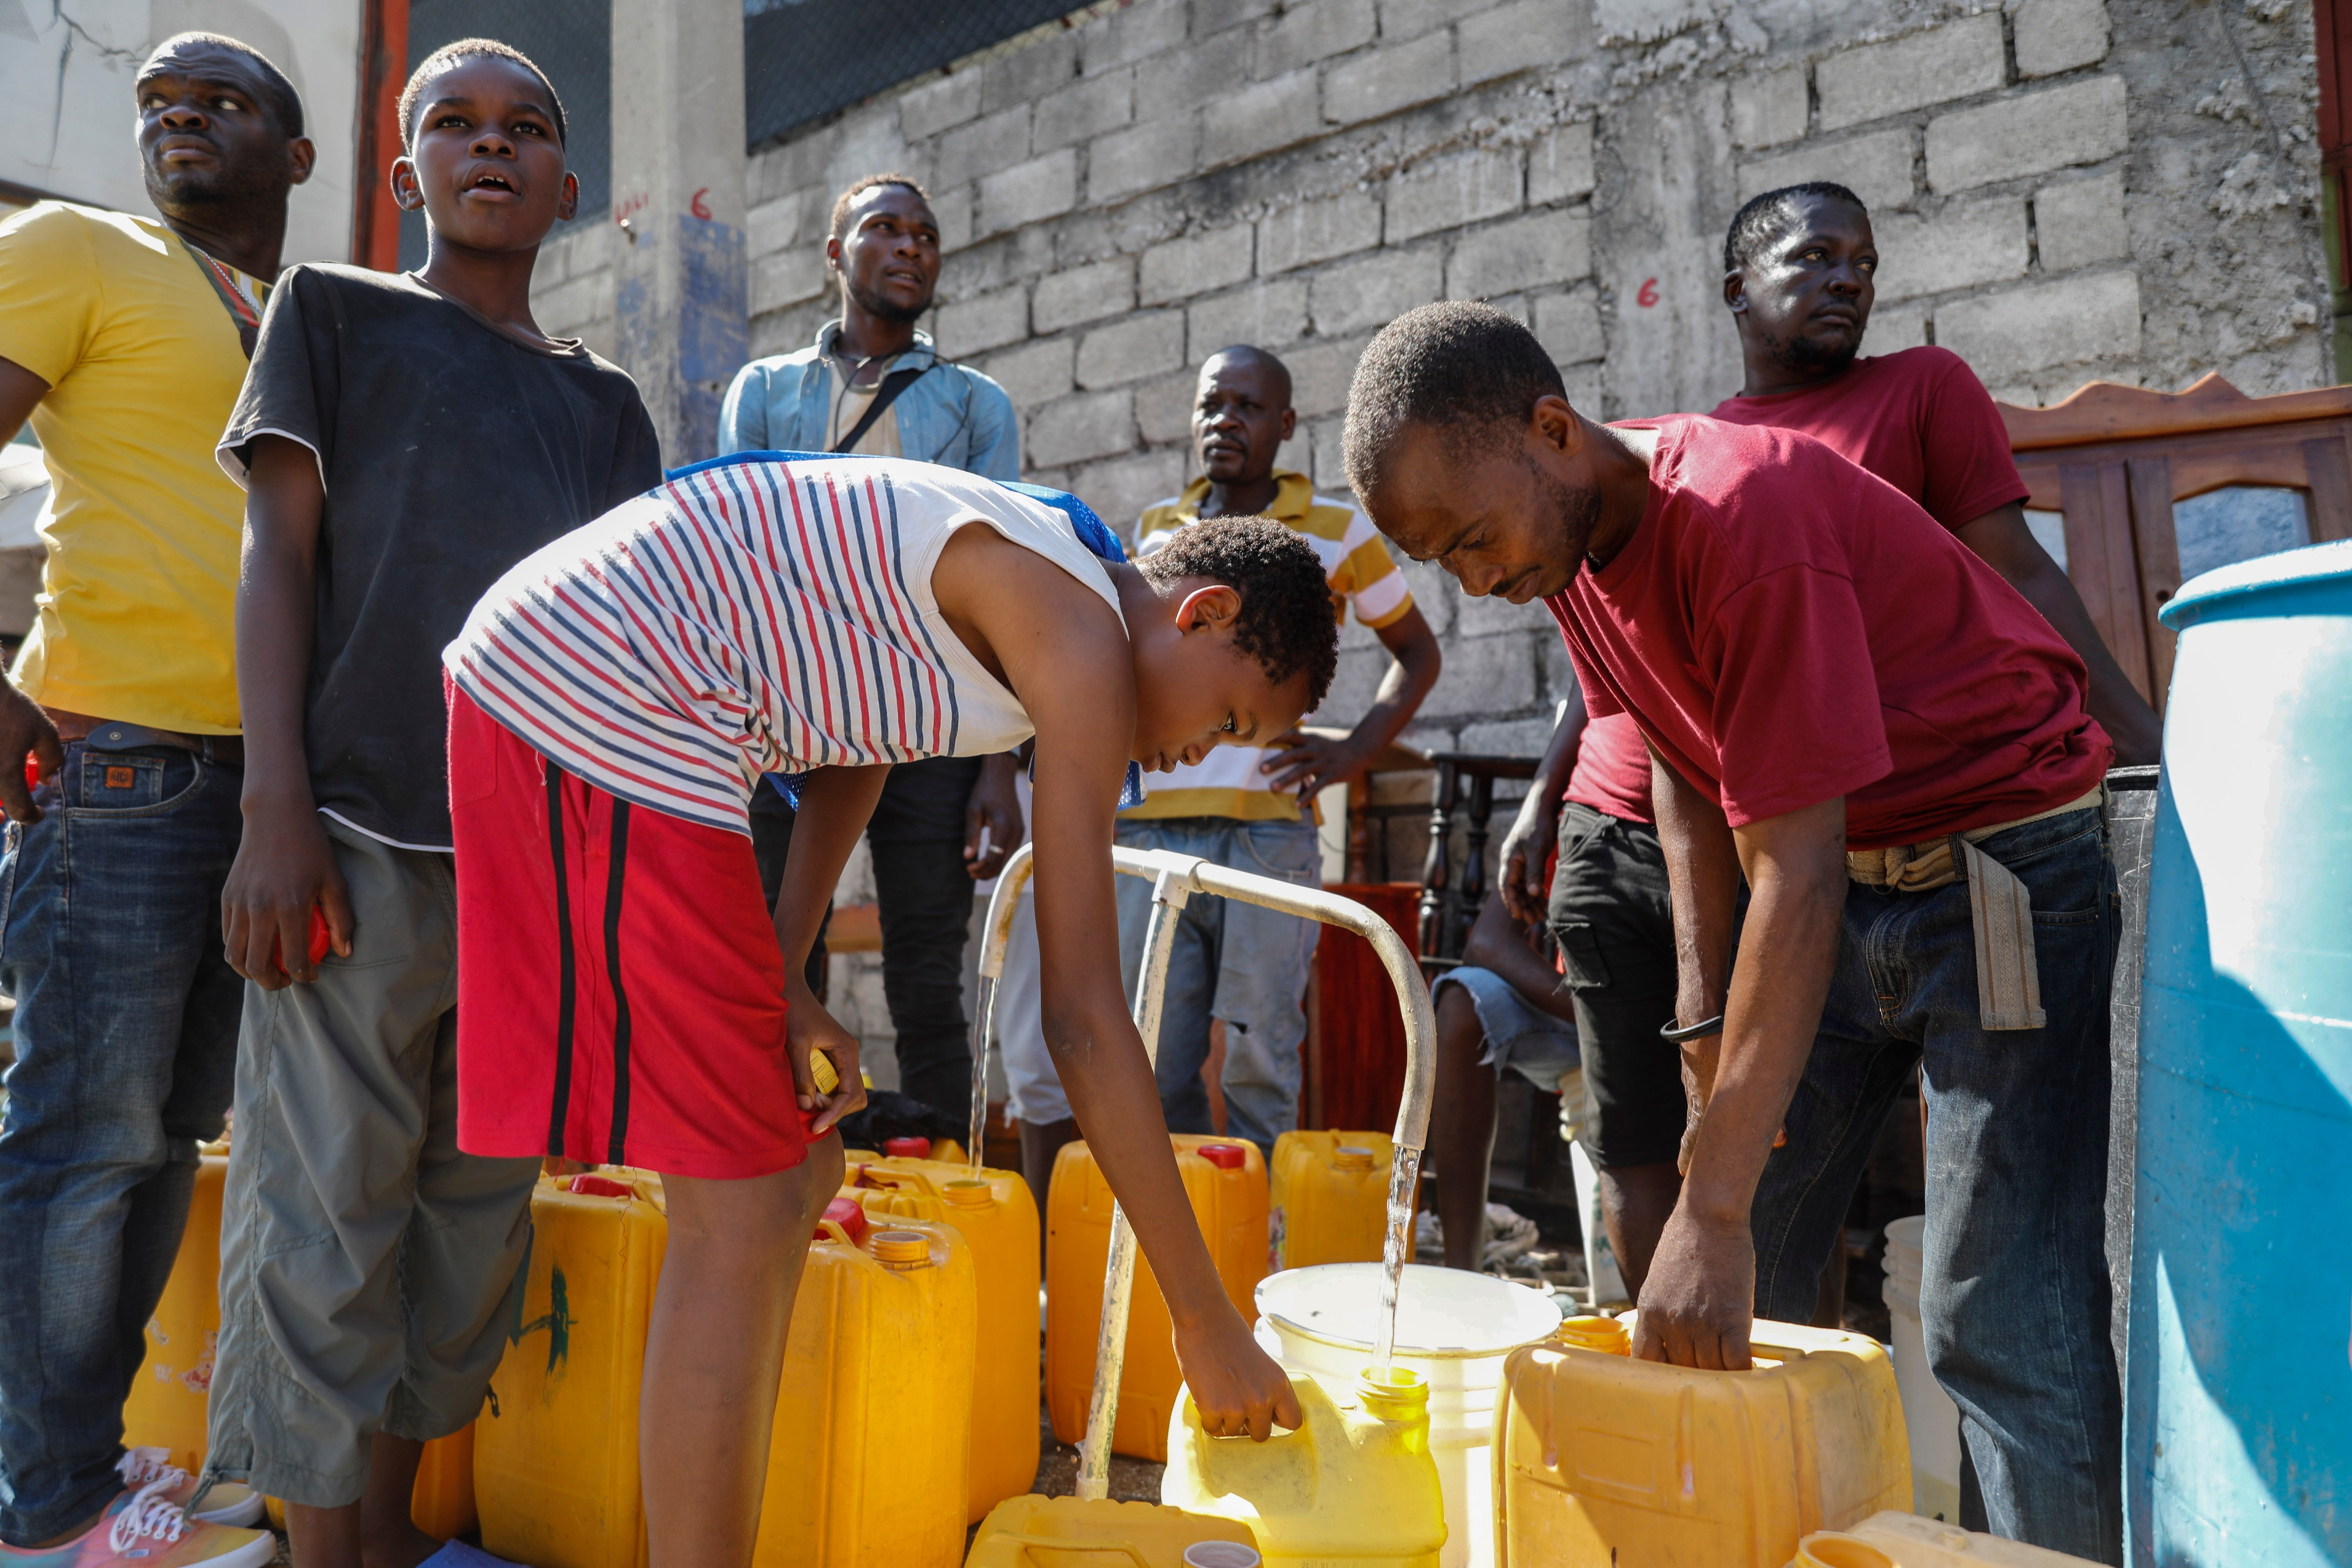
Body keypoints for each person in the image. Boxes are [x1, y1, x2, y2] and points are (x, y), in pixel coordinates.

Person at [439, 451, 1335, 1564]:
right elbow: (1084, 1018)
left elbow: (854, 743)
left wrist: (784, 976)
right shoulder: (1080, 637)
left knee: (794, 1173)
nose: (1203, 751)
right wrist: (1204, 1324)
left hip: (609, 687)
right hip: (611, 688)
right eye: (1229, 715)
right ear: (1204, 612)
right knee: (751, 1201)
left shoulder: (1043, 584)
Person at [1345, 302, 2121, 1561]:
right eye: (1449, 562)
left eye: (1475, 540)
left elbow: (1795, 873)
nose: (1479, 580)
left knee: (1996, 1305)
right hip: (1842, 867)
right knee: (1755, 1236)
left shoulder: (1742, 519)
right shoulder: (1571, 541)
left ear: (1554, 432)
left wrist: (1707, 1205)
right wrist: (1704, 1031)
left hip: (2001, 864)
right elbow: (1676, 765)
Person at [201, 41, 661, 1568]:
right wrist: (275, 808)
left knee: (468, 1238)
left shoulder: (604, 410)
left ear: (567, 189)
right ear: (402, 179)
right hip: (351, 848)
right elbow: (280, 553)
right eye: (453, 128)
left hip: (531, 877)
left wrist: (611, 913)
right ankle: (318, 1552)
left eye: (526, 130)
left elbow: (622, 665)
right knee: (326, 1222)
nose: (491, 148)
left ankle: (392, 1542)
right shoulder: (335, 317)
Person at [0, 30, 314, 1568]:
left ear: (299, 157)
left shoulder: (296, 314)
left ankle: (71, 1465)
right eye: (159, 104)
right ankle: (47, 1512)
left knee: (165, 1138)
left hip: (256, 788)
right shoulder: (77, 248)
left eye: (223, 101)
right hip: (112, 759)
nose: (180, 117)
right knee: (84, 1138)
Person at [1007, 344, 1440, 1184]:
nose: (1224, 422)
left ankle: (1265, 1231)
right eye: (1211, 405)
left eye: (1246, 407)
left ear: (1284, 425)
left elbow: (1416, 653)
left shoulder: (1339, 530)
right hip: (1149, 829)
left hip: (1270, 833)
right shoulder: (1161, 537)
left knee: (1260, 1048)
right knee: (1154, 1041)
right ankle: (1182, 1227)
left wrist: (1353, 752)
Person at [717, 172, 1022, 1124]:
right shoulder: (766, 391)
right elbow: (736, 548)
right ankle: (775, 1160)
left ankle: (930, 1190)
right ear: (835, 254)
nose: (908, 248)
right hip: (787, 720)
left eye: (924, 235)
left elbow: (1003, 589)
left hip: (926, 723)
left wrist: (1001, 767)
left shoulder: (977, 406)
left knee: (927, 975)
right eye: (883, 230)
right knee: (777, 957)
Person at [1712, 181, 2162, 767]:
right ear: (1739, 290)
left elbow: (2020, 573)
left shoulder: (1921, 386)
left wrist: (2147, 748)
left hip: (1966, 774)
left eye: (1865, 264)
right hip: (1817, 794)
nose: (1850, 280)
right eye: (1816, 255)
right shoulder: (1711, 448)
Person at [1441, 683, 1681, 1292]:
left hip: (1673, 1023)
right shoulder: (1576, 802)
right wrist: (1596, 1012)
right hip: (1580, 1008)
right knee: (1460, 1002)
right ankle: (1459, 1273)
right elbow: (1488, 944)